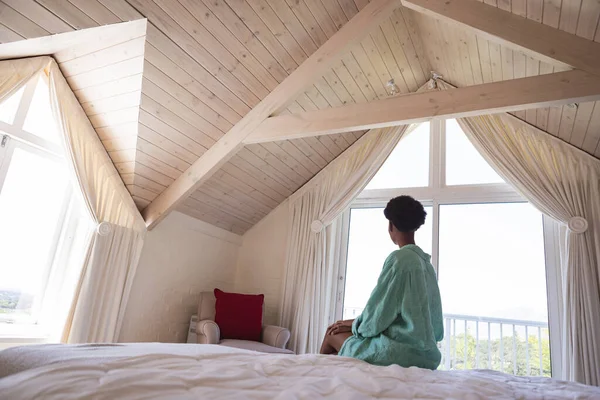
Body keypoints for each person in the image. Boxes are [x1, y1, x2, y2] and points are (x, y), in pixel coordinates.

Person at [319, 195, 444, 369]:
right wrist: (354, 323)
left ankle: (318, 375)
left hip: (399, 353)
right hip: (426, 355)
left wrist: (353, 323)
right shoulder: (425, 263)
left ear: (391, 225)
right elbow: (436, 325)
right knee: (346, 331)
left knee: (332, 332)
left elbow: (378, 315)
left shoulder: (400, 259)